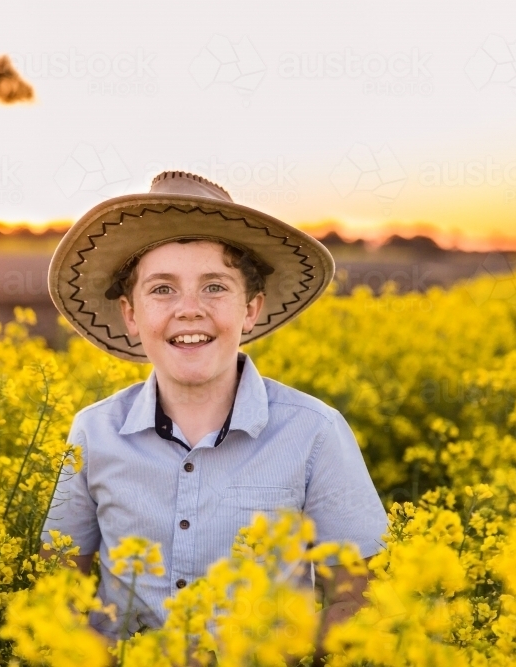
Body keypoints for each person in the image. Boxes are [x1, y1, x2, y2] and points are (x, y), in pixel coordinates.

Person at [39, 170, 388, 659]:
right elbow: (58, 585)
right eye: (162, 289)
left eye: (215, 288)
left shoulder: (314, 431)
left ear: (251, 309)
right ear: (131, 315)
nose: (189, 310)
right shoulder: (93, 432)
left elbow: (357, 594)